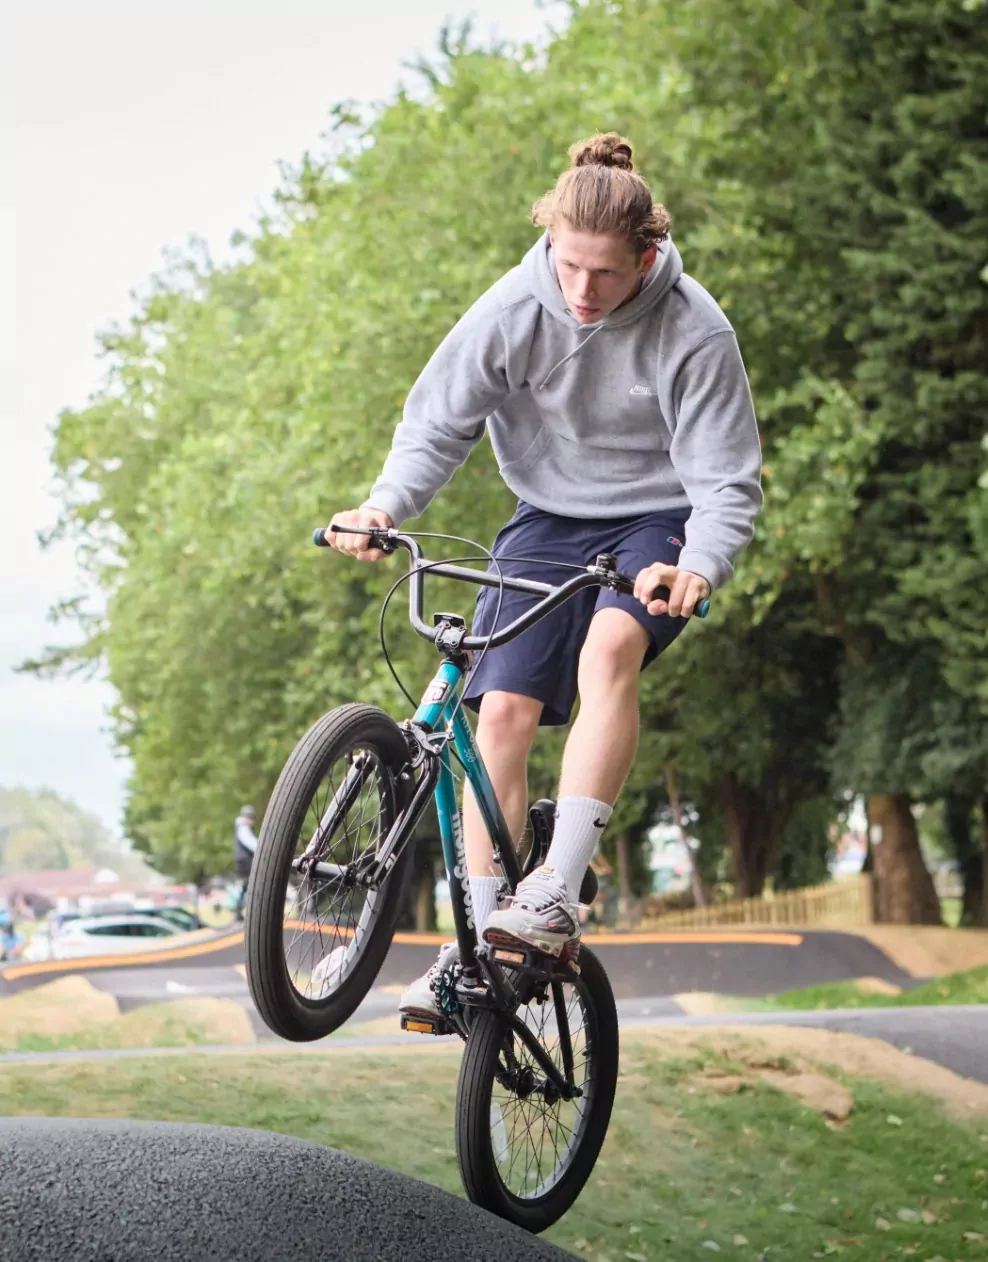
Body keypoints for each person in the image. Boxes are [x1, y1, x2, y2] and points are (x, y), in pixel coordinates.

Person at [324, 132, 763, 1021]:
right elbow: (436, 424)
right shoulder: (514, 307)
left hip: (660, 516)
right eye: (567, 266)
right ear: (547, 241)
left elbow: (725, 479)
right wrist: (382, 509)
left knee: (608, 649)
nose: (581, 292)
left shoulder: (693, 328)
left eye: (604, 274)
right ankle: (481, 948)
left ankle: (558, 889)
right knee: (503, 714)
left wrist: (698, 566)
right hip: (547, 517)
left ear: (646, 256)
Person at [233, 805, 259, 922]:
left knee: (246, 882)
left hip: (243, 858)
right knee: (252, 881)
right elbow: (249, 842)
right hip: (245, 858)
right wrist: (261, 848)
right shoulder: (243, 826)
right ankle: (243, 909)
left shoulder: (242, 826)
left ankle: (239, 909)